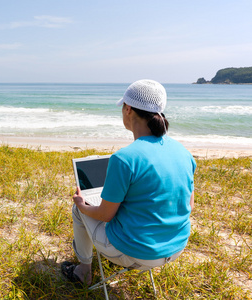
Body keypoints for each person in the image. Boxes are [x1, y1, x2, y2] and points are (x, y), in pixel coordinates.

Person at [61, 79, 196, 286]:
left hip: (137, 253)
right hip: (175, 248)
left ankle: (83, 272)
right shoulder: (183, 152)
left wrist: (82, 204)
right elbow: (189, 205)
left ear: (129, 109)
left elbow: (105, 215)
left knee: (79, 209)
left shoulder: (124, 158)